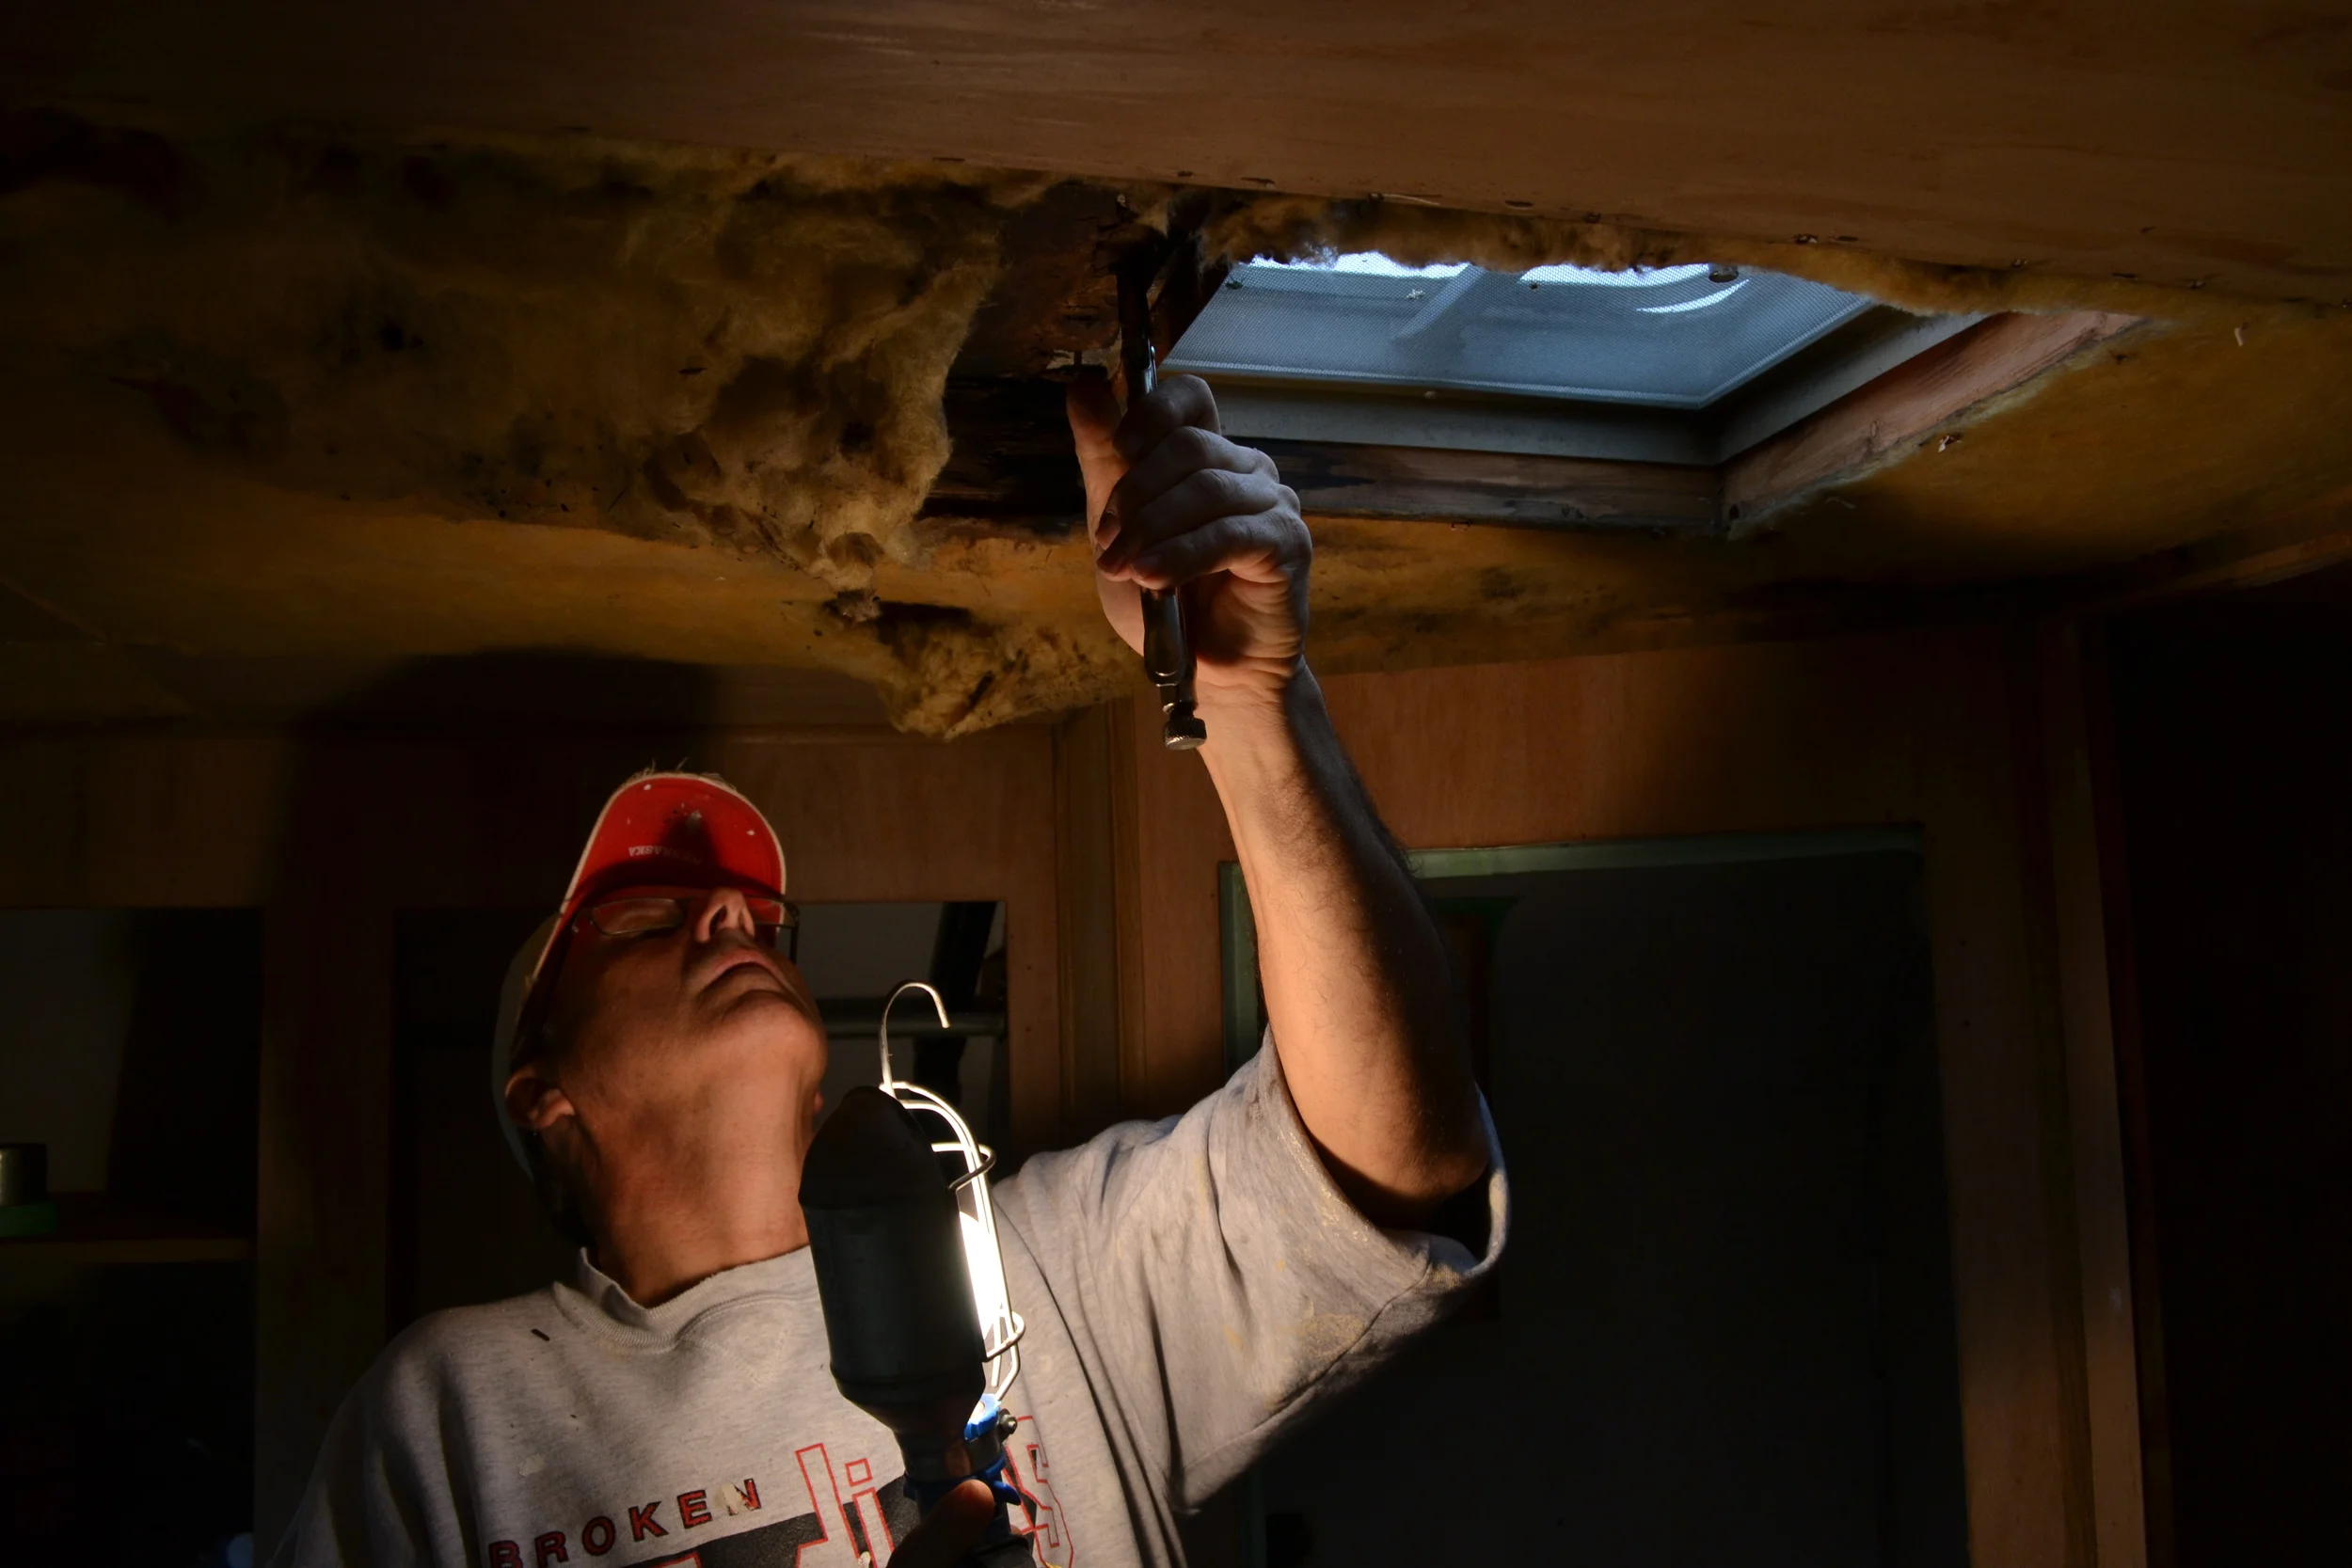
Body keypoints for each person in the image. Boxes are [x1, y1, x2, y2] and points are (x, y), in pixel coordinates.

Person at [269, 373, 1507, 1568]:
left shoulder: (1045, 1273)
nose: (732, 923)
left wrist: (1255, 710)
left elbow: (1395, 1164)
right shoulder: (450, 1417)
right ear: (542, 1090)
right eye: (652, 919)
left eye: (761, 920)